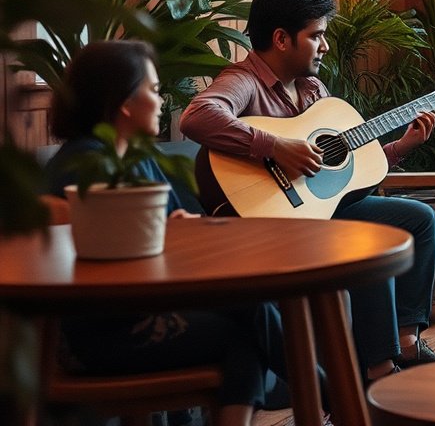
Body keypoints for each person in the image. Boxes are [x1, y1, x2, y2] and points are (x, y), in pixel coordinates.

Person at [180, 0, 435, 384]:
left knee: (418, 219)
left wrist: (401, 146)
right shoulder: (244, 80)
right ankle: (377, 370)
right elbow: (196, 116)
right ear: (281, 39)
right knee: (367, 241)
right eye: (316, 36)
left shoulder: (313, 88)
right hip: (268, 225)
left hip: (316, 213)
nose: (325, 46)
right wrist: (273, 146)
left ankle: (406, 341)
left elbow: (341, 170)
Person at [47, 40, 293, 426]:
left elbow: (178, 227)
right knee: (249, 317)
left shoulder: (137, 158)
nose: (161, 102)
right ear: (124, 102)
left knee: (250, 317)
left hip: (143, 310)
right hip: (97, 334)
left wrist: (176, 229)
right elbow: (111, 257)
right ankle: (331, 392)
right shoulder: (85, 165)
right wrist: (168, 235)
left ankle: (326, 390)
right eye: (154, 90)